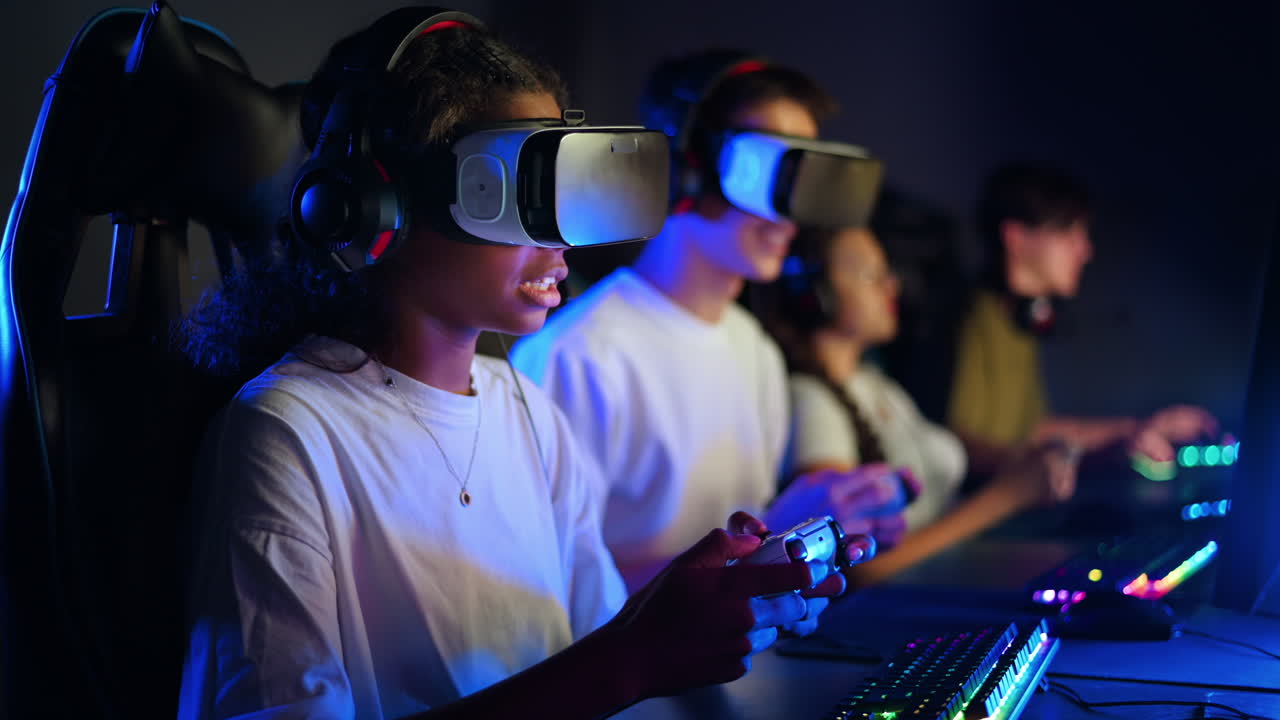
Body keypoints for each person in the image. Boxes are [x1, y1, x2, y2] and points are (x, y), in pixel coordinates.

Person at [176, 14, 848, 719]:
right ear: (378, 204)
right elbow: (610, 665)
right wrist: (631, 659)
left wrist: (703, 601)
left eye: (563, 186)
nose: (559, 233)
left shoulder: (523, 407)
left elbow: (597, 642)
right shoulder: (288, 436)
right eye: (515, 189)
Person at [511, 51, 908, 593]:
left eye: (805, 179)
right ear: (688, 167)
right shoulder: (579, 357)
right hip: (633, 678)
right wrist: (774, 537)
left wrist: (818, 527)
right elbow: (550, 592)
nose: (789, 213)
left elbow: (749, 553)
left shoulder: (755, 350)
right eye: (770, 172)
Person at [757, 225, 1078, 586]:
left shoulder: (876, 383)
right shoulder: (812, 400)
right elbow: (859, 565)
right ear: (817, 296)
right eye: (872, 275)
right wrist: (1008, 496)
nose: (891, 286)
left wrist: (1019, 462)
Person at [948, 164, 1218, 477]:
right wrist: (1093, 458)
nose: (1085, 250)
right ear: (1017, 238)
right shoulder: (971, 318)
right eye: (1069, 232)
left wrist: (1137, 429)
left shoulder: (1023, 322)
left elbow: (1033, 431)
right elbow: (962, 446)